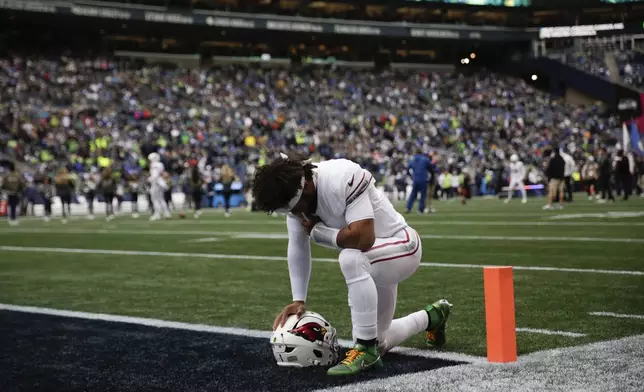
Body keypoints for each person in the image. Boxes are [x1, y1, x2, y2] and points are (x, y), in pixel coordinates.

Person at [252, 154, 451, 376]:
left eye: (292, 207)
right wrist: (298, 299)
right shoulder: (295, 196)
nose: (294, 214)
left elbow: (364, 239)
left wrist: (319, 232)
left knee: (351, 257)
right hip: (375, 262)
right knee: (381, 340)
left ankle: (365, 350)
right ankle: (433, 316)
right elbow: (298, 247)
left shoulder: (341, 176)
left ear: (306, 185)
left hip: (403, 247)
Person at [405, 150, 431, 214]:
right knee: (423, 195)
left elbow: (407, 169)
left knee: (413, 194)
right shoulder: (425, 159)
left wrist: (411, 175)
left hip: (415, 179)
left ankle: (408, 208)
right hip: (423, 180)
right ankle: (420, 209)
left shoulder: (412, 160)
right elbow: (431, 167)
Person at [148, 152, 171, 221]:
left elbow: (155, 175)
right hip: (161, 182)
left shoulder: (154, 165)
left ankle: (157, 214)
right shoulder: (161, 164)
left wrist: (149, 179)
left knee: (154, 199)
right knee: (161, 199)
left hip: (156, 183)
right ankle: (167, 213)